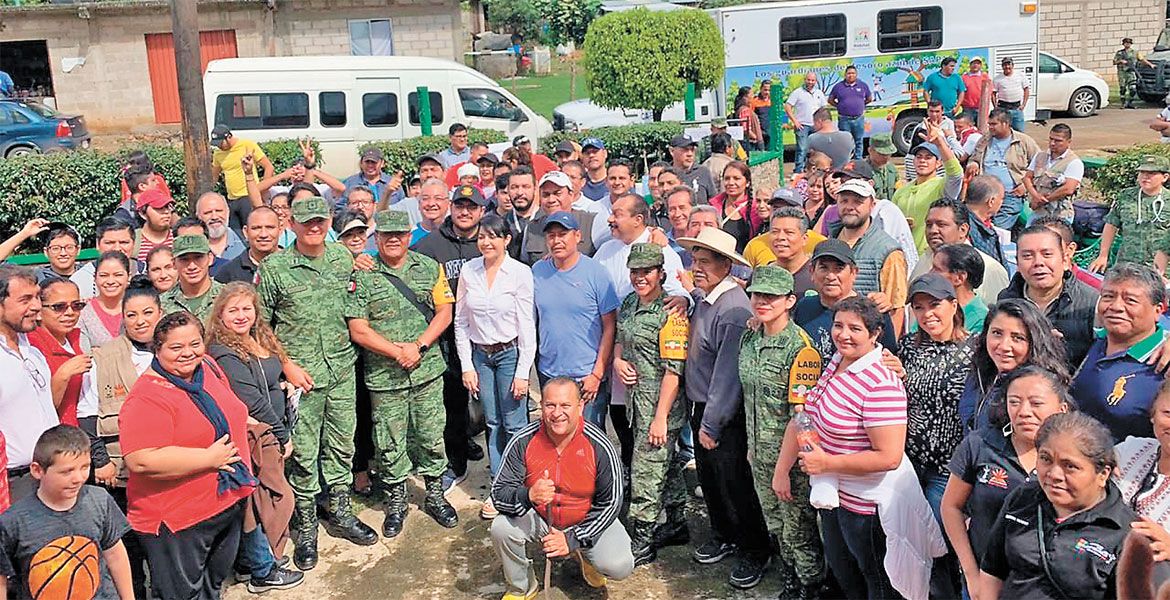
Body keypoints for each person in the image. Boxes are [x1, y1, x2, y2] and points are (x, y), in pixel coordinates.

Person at [257, 195, 377, 570]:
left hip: (341, 369)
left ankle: (340, 512)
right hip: (301, 377)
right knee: (304, 454)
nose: (314, 227)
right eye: (306, 222)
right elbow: (262, 327)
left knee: (342, 445)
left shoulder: (341, 257)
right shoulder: (275, 268)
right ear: (291, 225)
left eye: (320, 221)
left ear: (328, 223)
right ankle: (306, 526)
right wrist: (286, 365)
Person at [797, 295, 944, 600]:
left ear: (875, 333)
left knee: (877, 580)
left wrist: (827, 464)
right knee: (846, 573)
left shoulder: (881, 384)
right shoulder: (837, 362)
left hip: (867, 507)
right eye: (838, 325)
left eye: (855, 328)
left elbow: (889, 457)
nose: (843, 334)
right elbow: (808, 413)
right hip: (837, 495)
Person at [119, 311, 257, 600]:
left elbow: (231, 407)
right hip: (178, 519)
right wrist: (209, 459)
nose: (188, 353)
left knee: (212, 587)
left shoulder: (206, 367)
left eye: (195, 343)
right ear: (157, 349)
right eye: (176, 347)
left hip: (224, 501)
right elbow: (141, 459)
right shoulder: (147, 396)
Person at [346, 209, 459, 536]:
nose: (393, 240)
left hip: (426, 370)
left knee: (431, 433)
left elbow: (444, 312)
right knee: (389, 440)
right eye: (386, 234)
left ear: (409, 237)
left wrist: (419, 347)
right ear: (377, 237)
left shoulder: (428, 267)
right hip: (386, 376)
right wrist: (398, 352)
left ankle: (435, 494)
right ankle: (396, 501)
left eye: (399, 234)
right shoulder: (362, 273)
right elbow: (358, 329)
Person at [676, 227, 772, 589]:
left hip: (721, 412)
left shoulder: (732, 309)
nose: (697, 268)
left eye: (705, 262)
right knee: (712, 480)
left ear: (726, 266)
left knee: (735, 484)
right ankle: (725, 535)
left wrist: (712, 424)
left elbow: (727, 375)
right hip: (703, 405)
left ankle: (754, 550)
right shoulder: (707, 298)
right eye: (695, 260)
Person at [489, 378, 633, 598]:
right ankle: (522, 587)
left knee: (620, 565)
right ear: (541, 406)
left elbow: (611, 503)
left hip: (584, 517)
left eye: (565, 405)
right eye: (550, 405)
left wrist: (573, 538)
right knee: (501, 528)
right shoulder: (522, 440)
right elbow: (499, 492)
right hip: (540, 517)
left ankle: (585, 554)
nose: (557, 413)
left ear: (580, 407)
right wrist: (528, 495)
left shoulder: (600, 445)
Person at [942, 366, 1074, 600]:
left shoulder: (1076, 458)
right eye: (1014, 402)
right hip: (983, 584)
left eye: (1036, 403)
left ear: (1061, 408)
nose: (1024, 412)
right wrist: (971, 574)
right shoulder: (979, 444)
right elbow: (951, 507)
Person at [204, 283, 303, 591]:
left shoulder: (258, 338)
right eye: (233, 310)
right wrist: (282, 435)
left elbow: (268, 378)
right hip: (255, 436)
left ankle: (258, 562)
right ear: (220, 315)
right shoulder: (224, 352)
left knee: (265, 500)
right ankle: (262, 567)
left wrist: (283, 386)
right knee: (264, 502)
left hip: (270, 431)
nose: (241, 315)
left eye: (247, 308)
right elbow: (252, 401)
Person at [978, 413, 1133, 599]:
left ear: (1102, 474)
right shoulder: (1023, 498)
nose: (1054, 474)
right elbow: (992, 571)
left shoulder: (1125, 534)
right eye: (1046, 459)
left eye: (1070, 466)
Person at [739, 265, 825, 597]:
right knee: (776, 524)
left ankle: (810, 586)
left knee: (799, 530)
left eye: (771, 297)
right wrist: (753, 450)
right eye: (757, 295)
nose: (762, 302)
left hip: (790, 461)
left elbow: (801, 418)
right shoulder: (750, 337)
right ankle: (790, 577)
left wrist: (782, 470)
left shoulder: (800, 349)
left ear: (789, 301)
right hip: (759, 452)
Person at [76, 278, 159, 597]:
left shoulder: (175, 352)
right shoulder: (104, 358)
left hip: (167, 472)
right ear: (122, 318)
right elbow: (87, 415)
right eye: (131, 315)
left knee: (165, 553)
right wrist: (100, 461)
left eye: (147, 313)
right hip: (121, 476)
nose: (140, 321)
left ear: (160, 312)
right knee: (129, 552)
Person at [454, 214, 535, 520]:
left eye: (493, 236)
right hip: (481, 357)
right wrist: (467, 365)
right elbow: (461, 322)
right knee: (493, 423)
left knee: (515, 423)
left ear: (506, 240)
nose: (486, 242)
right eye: (481, 237)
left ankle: (521, 482)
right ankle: (500, 485)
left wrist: (522, 372)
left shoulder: (520, 273)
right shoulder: (469, 270)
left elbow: (527, 325)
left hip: (509, 354)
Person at [615, 243, 689, 567]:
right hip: (637, 402)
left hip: (661, 405)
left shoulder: (672, 313)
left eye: (647, 271)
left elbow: (674, 371)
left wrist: (660, 418)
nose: (640, 277)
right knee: (665, 466)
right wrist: (617, 361)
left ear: (660, 273)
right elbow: (621, 339)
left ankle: (642, 540)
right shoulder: (629, 303)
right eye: (635, 271)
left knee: (645, 472)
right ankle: (677, 523)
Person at [0, 425, 134, 599]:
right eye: (67, 471)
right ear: (37, 470)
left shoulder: (99, 500)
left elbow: (115, 555)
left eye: (85, 467)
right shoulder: (13, 522)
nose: (78, 478)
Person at [413, 184, 487, 493]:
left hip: (485, 336)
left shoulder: (490, 239)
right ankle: (455, 464)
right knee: (453, 404)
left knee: (489, 406)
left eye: (471, 206)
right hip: (447, 338)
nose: (465, 212)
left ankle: (495, 461)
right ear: (451, 208)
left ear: (481, 211)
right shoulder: (430, 245)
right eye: (460, 205)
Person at [532, 212, 619, 430]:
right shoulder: (537, 271)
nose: (556, 241)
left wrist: (597, 374)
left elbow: (610, 326)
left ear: (577, 236)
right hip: (549, 373)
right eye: (551, 236)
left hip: (586, 375)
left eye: (562, 234)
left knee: (589, 438)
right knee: (555, 435)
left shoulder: (597, 273)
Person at [1072, 263, 1166, 442]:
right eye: (1108, 296)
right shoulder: (1092, 339)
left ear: (1158, 310)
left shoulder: (1163, 362)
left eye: (1130, 300)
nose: (1116, 306)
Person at [960, 298, 1071, 433]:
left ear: (1034, 342)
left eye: (1018, 338)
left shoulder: (1042, 390)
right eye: (997, 333)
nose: (1004, 346)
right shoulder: (979, 373)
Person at [999, 224, 1099, 367]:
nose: (1038, 263)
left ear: (1065, 260)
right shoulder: (1007, 299)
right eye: (1027, 256)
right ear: (1017, 263)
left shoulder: (1091, 303)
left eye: (1047, 254)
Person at [0, 266, 59, 504]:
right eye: (25, 299)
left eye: (37, 297)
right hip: (13, 484)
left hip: (51, 473)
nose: (36, 306)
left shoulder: (32, 349)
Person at [793, 240, 899, 360]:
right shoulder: (804, 307)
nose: (831, 276)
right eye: (824, 268)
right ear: (812, 271)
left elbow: (889, 358)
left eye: (839, 269)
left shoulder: (872, 311)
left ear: (854, 273)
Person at [830, 179, 908, 331]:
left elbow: (896, 308)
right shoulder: (830, 241)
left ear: (872, 205)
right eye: (844, 201)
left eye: (858, 202)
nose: (849, 207)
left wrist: (888, 343)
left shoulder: (888, 250)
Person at [909, 198, 1010, 305]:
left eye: (941, 224)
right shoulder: (924, 260)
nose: (933, 230)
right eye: (929, 225)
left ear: (963, 230)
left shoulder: (991, 269)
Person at [1090, 155, 1170, 278]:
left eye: (1152, 173)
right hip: (1127, 266)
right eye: (1142, 172)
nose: (1145, 177)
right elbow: (1111, 224)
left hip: (1159, 271)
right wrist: (1103, 255)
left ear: (1165, 177)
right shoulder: (1126, 196)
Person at [966, 108, 1043, 232]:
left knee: (997, 229)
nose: (990, 127)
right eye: (989, 124)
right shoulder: (985, 140)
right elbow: (974, 158)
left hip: (1011, 195)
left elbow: (1041, 164)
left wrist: (1026, 186)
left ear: (1005, 124)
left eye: (994, 124)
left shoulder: (1023, 141)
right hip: (985, 194)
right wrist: (973, 164)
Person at [893, 125, 964, 254]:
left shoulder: (941, 186)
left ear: (938, 163)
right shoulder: (901, 191)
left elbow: (956, 174)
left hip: (931, 254)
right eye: (919, 157)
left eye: (928, 157)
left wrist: (940, 143)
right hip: (902, 255)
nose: (922, 161)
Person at [29, 277, 87, 427]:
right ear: (39, 311)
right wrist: (63, 375)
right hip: (57, 434)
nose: (70, 312)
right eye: (59, 307)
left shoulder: (78, 340)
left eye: (76, 306)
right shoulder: (31, 347)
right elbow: (37, 409)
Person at [210, 125, 274, 233]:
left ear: (229, 137)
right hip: (231, 199)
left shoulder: (247, 145)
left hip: (248, 197)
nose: (219, 146)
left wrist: (262, 191)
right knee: (234, 234)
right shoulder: (218, 153)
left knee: (251, 230)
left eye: (221, 143)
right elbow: (214, 176)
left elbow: (269, 167)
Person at [1022, 123, 1084, 224]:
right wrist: (1035, 196)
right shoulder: (1040, 156)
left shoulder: (1074, 162)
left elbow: (1068, 189)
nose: (1052, 143)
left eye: (1058, 141)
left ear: (1069, 142)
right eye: (1051, 139)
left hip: (1059, 214)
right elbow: (1027, 178)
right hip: (1038, 212)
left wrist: (1042, 201)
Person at [930, 243, 992, 333]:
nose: (930, 274)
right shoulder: (930, 307)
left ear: (959, 278)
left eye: (937, 269)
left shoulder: (980, 321)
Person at [159, 234, 224, 321]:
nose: (192, 266)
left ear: (210, 259)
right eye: (184, 259)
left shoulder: (226, 296)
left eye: (198, 258)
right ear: (174, 263)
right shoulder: (162, 303)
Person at [78, 252, 131, 352]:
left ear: (129, 277)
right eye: (103, 275)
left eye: (118, 275)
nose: (110, 281)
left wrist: (100, 352)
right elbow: (85, 355)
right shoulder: (83, 314)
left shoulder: (139, 309)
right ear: (95, 278)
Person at [216, 206, 282, 285]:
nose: (263, 234)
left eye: (270, 227)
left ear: (280, 230)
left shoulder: (294, 265)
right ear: (245, 232)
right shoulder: (228, 273)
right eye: (256, 228)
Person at [709, 161, 759, 252]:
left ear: (747, 182)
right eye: (727, 178)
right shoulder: (713, 207)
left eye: (736, 178)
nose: (731, 183)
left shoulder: (756, 210)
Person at [786, 73, 829, 172]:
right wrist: (795, 121)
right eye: (808, 80)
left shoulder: (819, 93)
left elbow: (824, 109)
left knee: (817, 150)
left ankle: (815, 170)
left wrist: (824, 123)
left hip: (817, 126)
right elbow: (788, 106)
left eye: (813, 80)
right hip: (802, 125)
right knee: (802, 149)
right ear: (805, 80)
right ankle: (798, 171)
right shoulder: (797, 92)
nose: (810, 82)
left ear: (816, 81)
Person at [828, 65, 872, 160]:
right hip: (844, 119)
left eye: (853, 73)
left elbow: (869, 98)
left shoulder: (863, 85)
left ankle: (858, 160)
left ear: (856, 74)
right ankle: (845, 160)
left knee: (859, 141)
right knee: (845, 142)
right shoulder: (838, 87)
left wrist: (860, 105)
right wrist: (839, 106)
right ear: (845, 75)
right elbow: (830, 100)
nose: (851, 75)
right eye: (849, 73)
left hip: (859, 119)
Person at [965, 174, 1009, 265]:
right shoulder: (964, 227)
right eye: (1001, 199)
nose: (1002, 203)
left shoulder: (984, 224)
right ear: (991, 201)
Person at [196, 192, 247, 262]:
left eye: (219, 211)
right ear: (198, 216)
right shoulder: (193, 246)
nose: (214, 217)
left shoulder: (244, 241)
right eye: (208, 213)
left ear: (228, 212)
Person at [669, 135, 718, 205]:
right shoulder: (666, 174)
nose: (690, 154)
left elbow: (714, 200)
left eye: (692, 150)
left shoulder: (703, 172)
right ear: (672, 151)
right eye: (685, 150)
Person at [133, 189, 175, 265]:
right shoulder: (132, 241)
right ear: (142, 213)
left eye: (168, 207)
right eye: (159, 208)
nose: (166, 212)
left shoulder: (178, 237)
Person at [992, 57, 1031, 131]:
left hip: (1017, 108)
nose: (1007, 67)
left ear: (1012, 65)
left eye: (1008, 64)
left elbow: (1026, 89)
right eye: (1004, 65)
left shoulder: (1020, 75)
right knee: (1002, 131)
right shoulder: (997, 79)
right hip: (1003, 108)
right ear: (1002, 66)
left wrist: (1023, 104)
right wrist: (995, 107)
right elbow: (993, 93)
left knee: (1019, 131)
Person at [1115, 37, 1154, 109]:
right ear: (1123, 44)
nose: (1127, 44)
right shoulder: (1119, 53)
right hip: (1122, 73)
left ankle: (1130, 102)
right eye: (1126, 43)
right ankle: (1123, 103)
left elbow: (1142, 59)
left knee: (1133, 89)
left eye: (1129, 43)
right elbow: (1114, 62)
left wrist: (1150, 65)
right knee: (1123, 88)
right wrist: (1120, 61)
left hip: (1131, 72)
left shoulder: (1135, 52)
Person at [865, 133, 900, 202]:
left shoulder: (892, 169)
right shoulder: (862, 171)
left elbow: (899, 191)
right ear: (870, 151)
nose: (886, 157)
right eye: (882, 154)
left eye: (888, 154)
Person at [960, 57, 991, 125]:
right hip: (967, 108)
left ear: (980, 65)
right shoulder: (964, 77)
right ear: (970, 65)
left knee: (981, 127)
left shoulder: (985, 76)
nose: (975, 65)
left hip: (981, 108)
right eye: (974, 63)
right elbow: (960, 92)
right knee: (968, 126)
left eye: (978, 63)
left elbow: (989, 92)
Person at [579, 138, 610, 202]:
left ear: (605, 153)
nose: (591, 155)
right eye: (587, 153)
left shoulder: (615, 180)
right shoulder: (579, 183)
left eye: (595, 151)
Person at [736, 86, 765, 152]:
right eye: (751, 94)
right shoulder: (745, 110)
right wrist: (756, 137)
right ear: (745, 97)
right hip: (751, 143)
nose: (753, 96)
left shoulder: (743, 109)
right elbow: (745, 129)